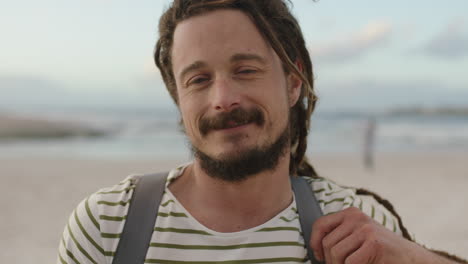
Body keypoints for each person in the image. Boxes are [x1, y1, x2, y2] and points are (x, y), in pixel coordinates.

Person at [57, 1, 467, 263]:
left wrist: (416, 259)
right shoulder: (108, 226)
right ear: (177, 98)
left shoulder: (356, 230)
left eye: (245, 70)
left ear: (293, 82)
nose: (223, 98)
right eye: (198, 79)